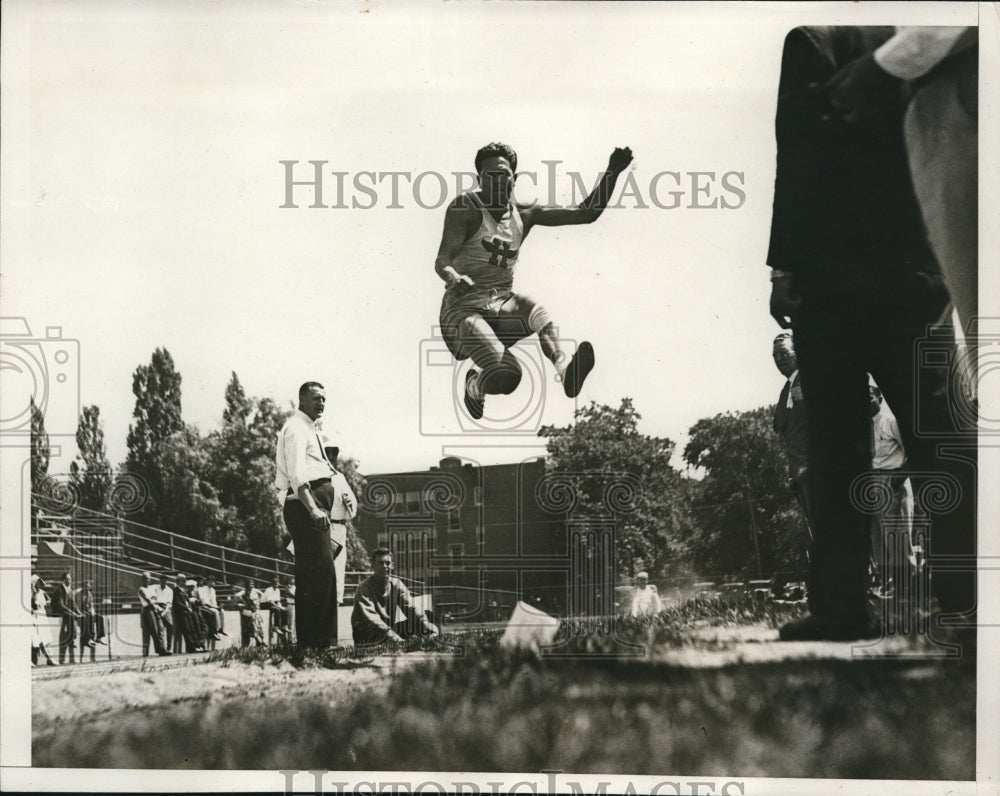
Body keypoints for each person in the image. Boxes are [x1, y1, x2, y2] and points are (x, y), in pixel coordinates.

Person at [767, 26, 976, 640]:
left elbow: (797, 151)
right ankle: (964, 599)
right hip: (914, 264)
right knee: (942, 438)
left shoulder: (812, 39)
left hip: (835, 271)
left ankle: (841, 607)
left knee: (838, 445)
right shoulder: (950, 35)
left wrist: (785, 265)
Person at [435, 143, 633, 420]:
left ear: (514, 179)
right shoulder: (464, 208)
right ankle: (475, 385)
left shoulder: (526, 214)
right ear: (480, 179)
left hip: (500, 305)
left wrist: (613, 171)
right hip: (462, 313)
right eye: (488, 175)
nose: (496, 181)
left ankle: (564, 370)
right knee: (509, 377)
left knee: (535, 308)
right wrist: (455, 277)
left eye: (503, 174)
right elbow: (442, 260)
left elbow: (586, 214)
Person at [275, 381, 343, 649]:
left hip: (315, 503)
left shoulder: (310, 428)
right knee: (323, 572)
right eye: (316, 398)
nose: (322, 403)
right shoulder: (295, 428)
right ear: (302, 400)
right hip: (307, 504)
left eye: (324, 399)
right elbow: (297, 473)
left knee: (312, 574)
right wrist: (313, 508)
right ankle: (323, 642)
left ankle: (310, 642)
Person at [867, 380, 917, 599]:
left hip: (894, 479)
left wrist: (899, 479)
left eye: (868, 395)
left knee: (898, 536)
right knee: (880, 539)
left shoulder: (890, 421)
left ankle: (910, 585)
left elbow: (912, 452)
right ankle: (891, 585)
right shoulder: (864, 425)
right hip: (873, 483)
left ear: (879, 397)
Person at [771, 331, 813, 542]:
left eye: (784, 353)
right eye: (775, 356)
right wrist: (792, 474)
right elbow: (785, 434)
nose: (779, 360)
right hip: (800, 476)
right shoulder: (785, 390)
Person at [352, 547, 439, 646]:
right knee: (382, 635)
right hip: (366, 633)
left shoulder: (396, 584)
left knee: (424, 617)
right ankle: (398, 642)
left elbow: (410, 606)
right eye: (380, 563)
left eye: (388, 563)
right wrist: (392, 635)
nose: (385, 566)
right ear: (373, 566)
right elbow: (371, 618)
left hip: (388, 629)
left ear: (392, 566)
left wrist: (425, 623)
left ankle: (430, 637)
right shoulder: (364, 587)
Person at [50, 571, 81, 664]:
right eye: (67, 579)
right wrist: (72, 612)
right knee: (70, 616)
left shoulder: (70, 590)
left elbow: (73, 604)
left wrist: (79, 612)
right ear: (63, 580)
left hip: (67, 612)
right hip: (58, 611)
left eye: (69, 579)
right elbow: (60, 605)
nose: (68, 581)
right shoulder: (59, 589)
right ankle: (74, 636)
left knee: (80, 616)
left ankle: (75, 637)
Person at [138, 572, 170, 657]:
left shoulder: (152, 588)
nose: (147, 580)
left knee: (159, 629)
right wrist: (157, 608)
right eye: (145, 579)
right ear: (142, 579)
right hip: (148, 610)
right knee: (152, 631)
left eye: (148, 579)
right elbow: (148, 601)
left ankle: (161, 649)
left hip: (154, 609)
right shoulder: (142, 589)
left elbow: (156, 598)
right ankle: (158, 650)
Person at [77, 580, 107, 660]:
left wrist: (93, 612)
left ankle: (99, 637)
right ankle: (90, 638)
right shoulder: (80, 595)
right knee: (88, 618)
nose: (87, 588)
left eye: (88, 586)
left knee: (100, 618)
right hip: (81, 612)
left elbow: (91, 605)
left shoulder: (90, 594)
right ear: (83, 587)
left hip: (89, 612)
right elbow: (78, 607)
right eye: (85, 586)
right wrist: (82, 613)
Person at [31, 576, 57, 666]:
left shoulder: (42, 592)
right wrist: (34, 597)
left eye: (39, 582)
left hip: (42, 616)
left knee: (46, 639)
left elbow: (49, 599)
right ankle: (37, 661)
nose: (39, 584)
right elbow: (33, 606)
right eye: (37, 582)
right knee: (36, 641)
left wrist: (45, 603)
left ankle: (50, 659)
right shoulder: (31, 593)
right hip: (35, 617)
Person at [236, 578, 265, 647]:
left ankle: (260, 640)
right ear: (247, 585)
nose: (252, 585)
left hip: (256, 610)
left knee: (259, 625)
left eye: (252, 584)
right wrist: (244, 602)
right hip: (249, 611)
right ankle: (257, 641)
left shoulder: (255, 590)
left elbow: (262, 594)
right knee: (253, 625)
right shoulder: (245, 591)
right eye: (250, 584)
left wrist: (259, 600)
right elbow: (237, 595)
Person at [260, 576, 290, 642]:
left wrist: (281, 607)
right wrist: (278, 607)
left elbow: (278, 601)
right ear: (272, 584)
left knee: (284, 610)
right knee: (277, 610)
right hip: (264, 604)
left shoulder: (278, 590)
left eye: (278, 583)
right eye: (276, 583)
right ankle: (276, 627)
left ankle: (284, 626)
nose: (277, 584)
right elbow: (270, 601)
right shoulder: (268, 589)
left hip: (272, 603)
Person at [153, 572, 175, 650]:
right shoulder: (155, 589)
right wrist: (158, 608)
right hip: (157, 607)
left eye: (165, 581)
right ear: (160, 581)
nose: (163, 582)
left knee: (170, 626)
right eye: (162, 580)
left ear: (167, 581)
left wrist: (164, 612)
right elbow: (153, 601)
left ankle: (169, 647)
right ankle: (162, 648)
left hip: (165, 608)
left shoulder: (170, 590)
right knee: (160, 627)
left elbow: (169, 603)